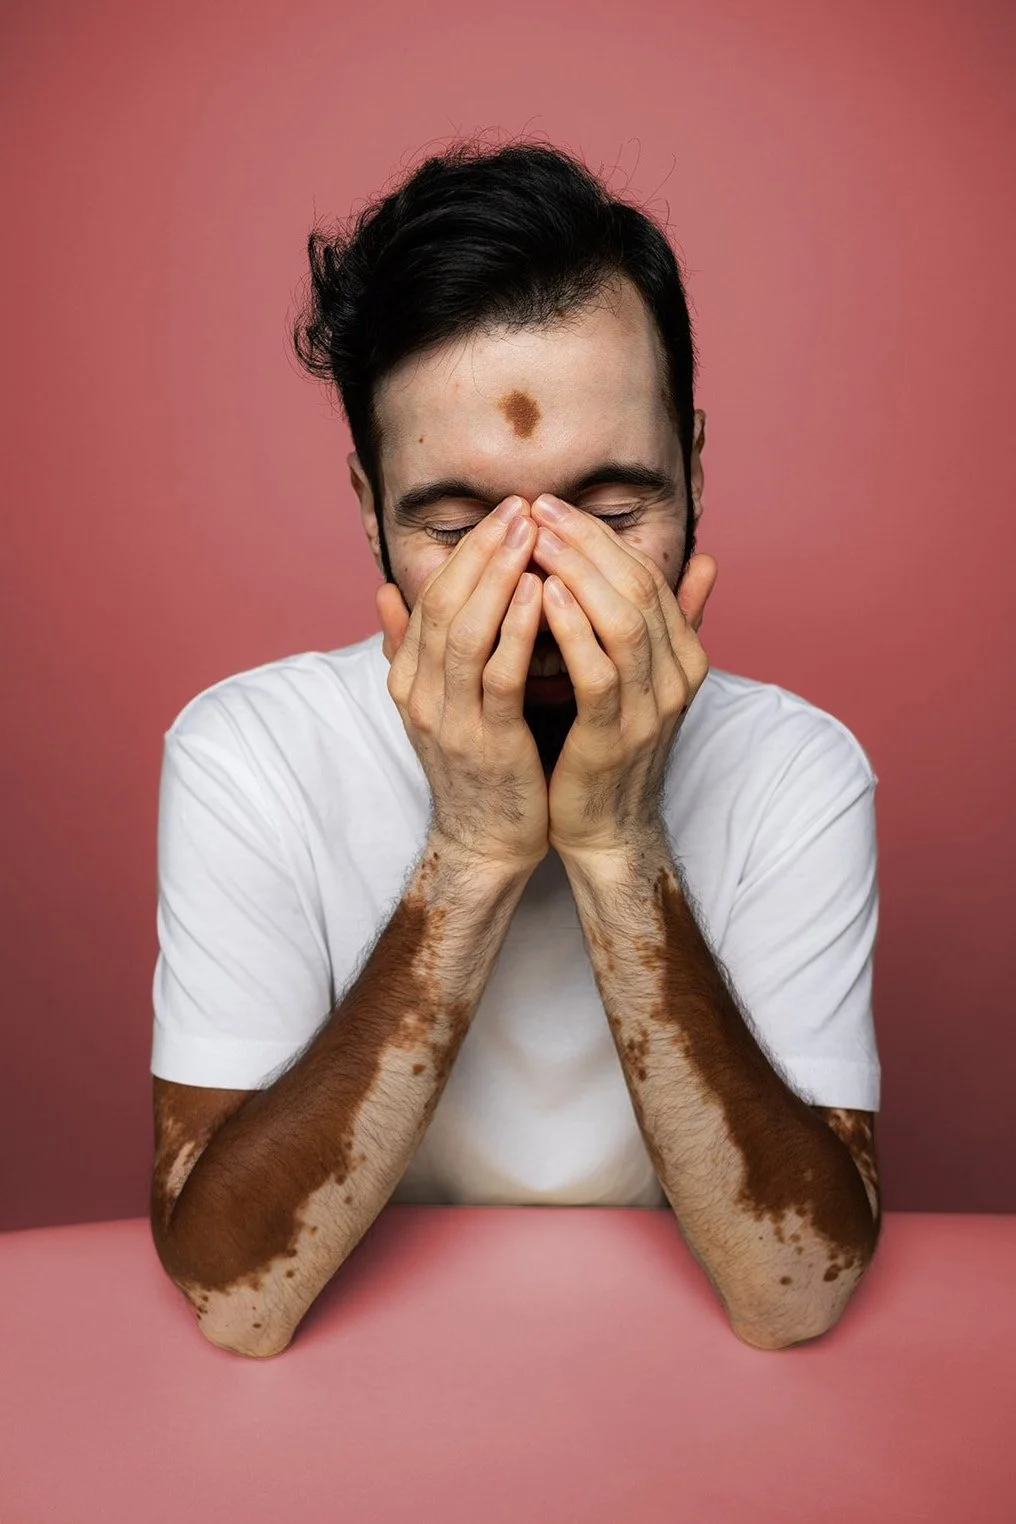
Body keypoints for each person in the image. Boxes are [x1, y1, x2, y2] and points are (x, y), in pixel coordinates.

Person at [148, 139, 882, 1359]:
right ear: (368, 511)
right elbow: (236, 1298)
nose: (539, 592)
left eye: (610, 515)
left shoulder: (797, 771)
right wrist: (474, 849)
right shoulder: (249, 756)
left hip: (667, 1375)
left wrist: (618, 841)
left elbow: (792, 1296)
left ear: (695, 471)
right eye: (457, 527)